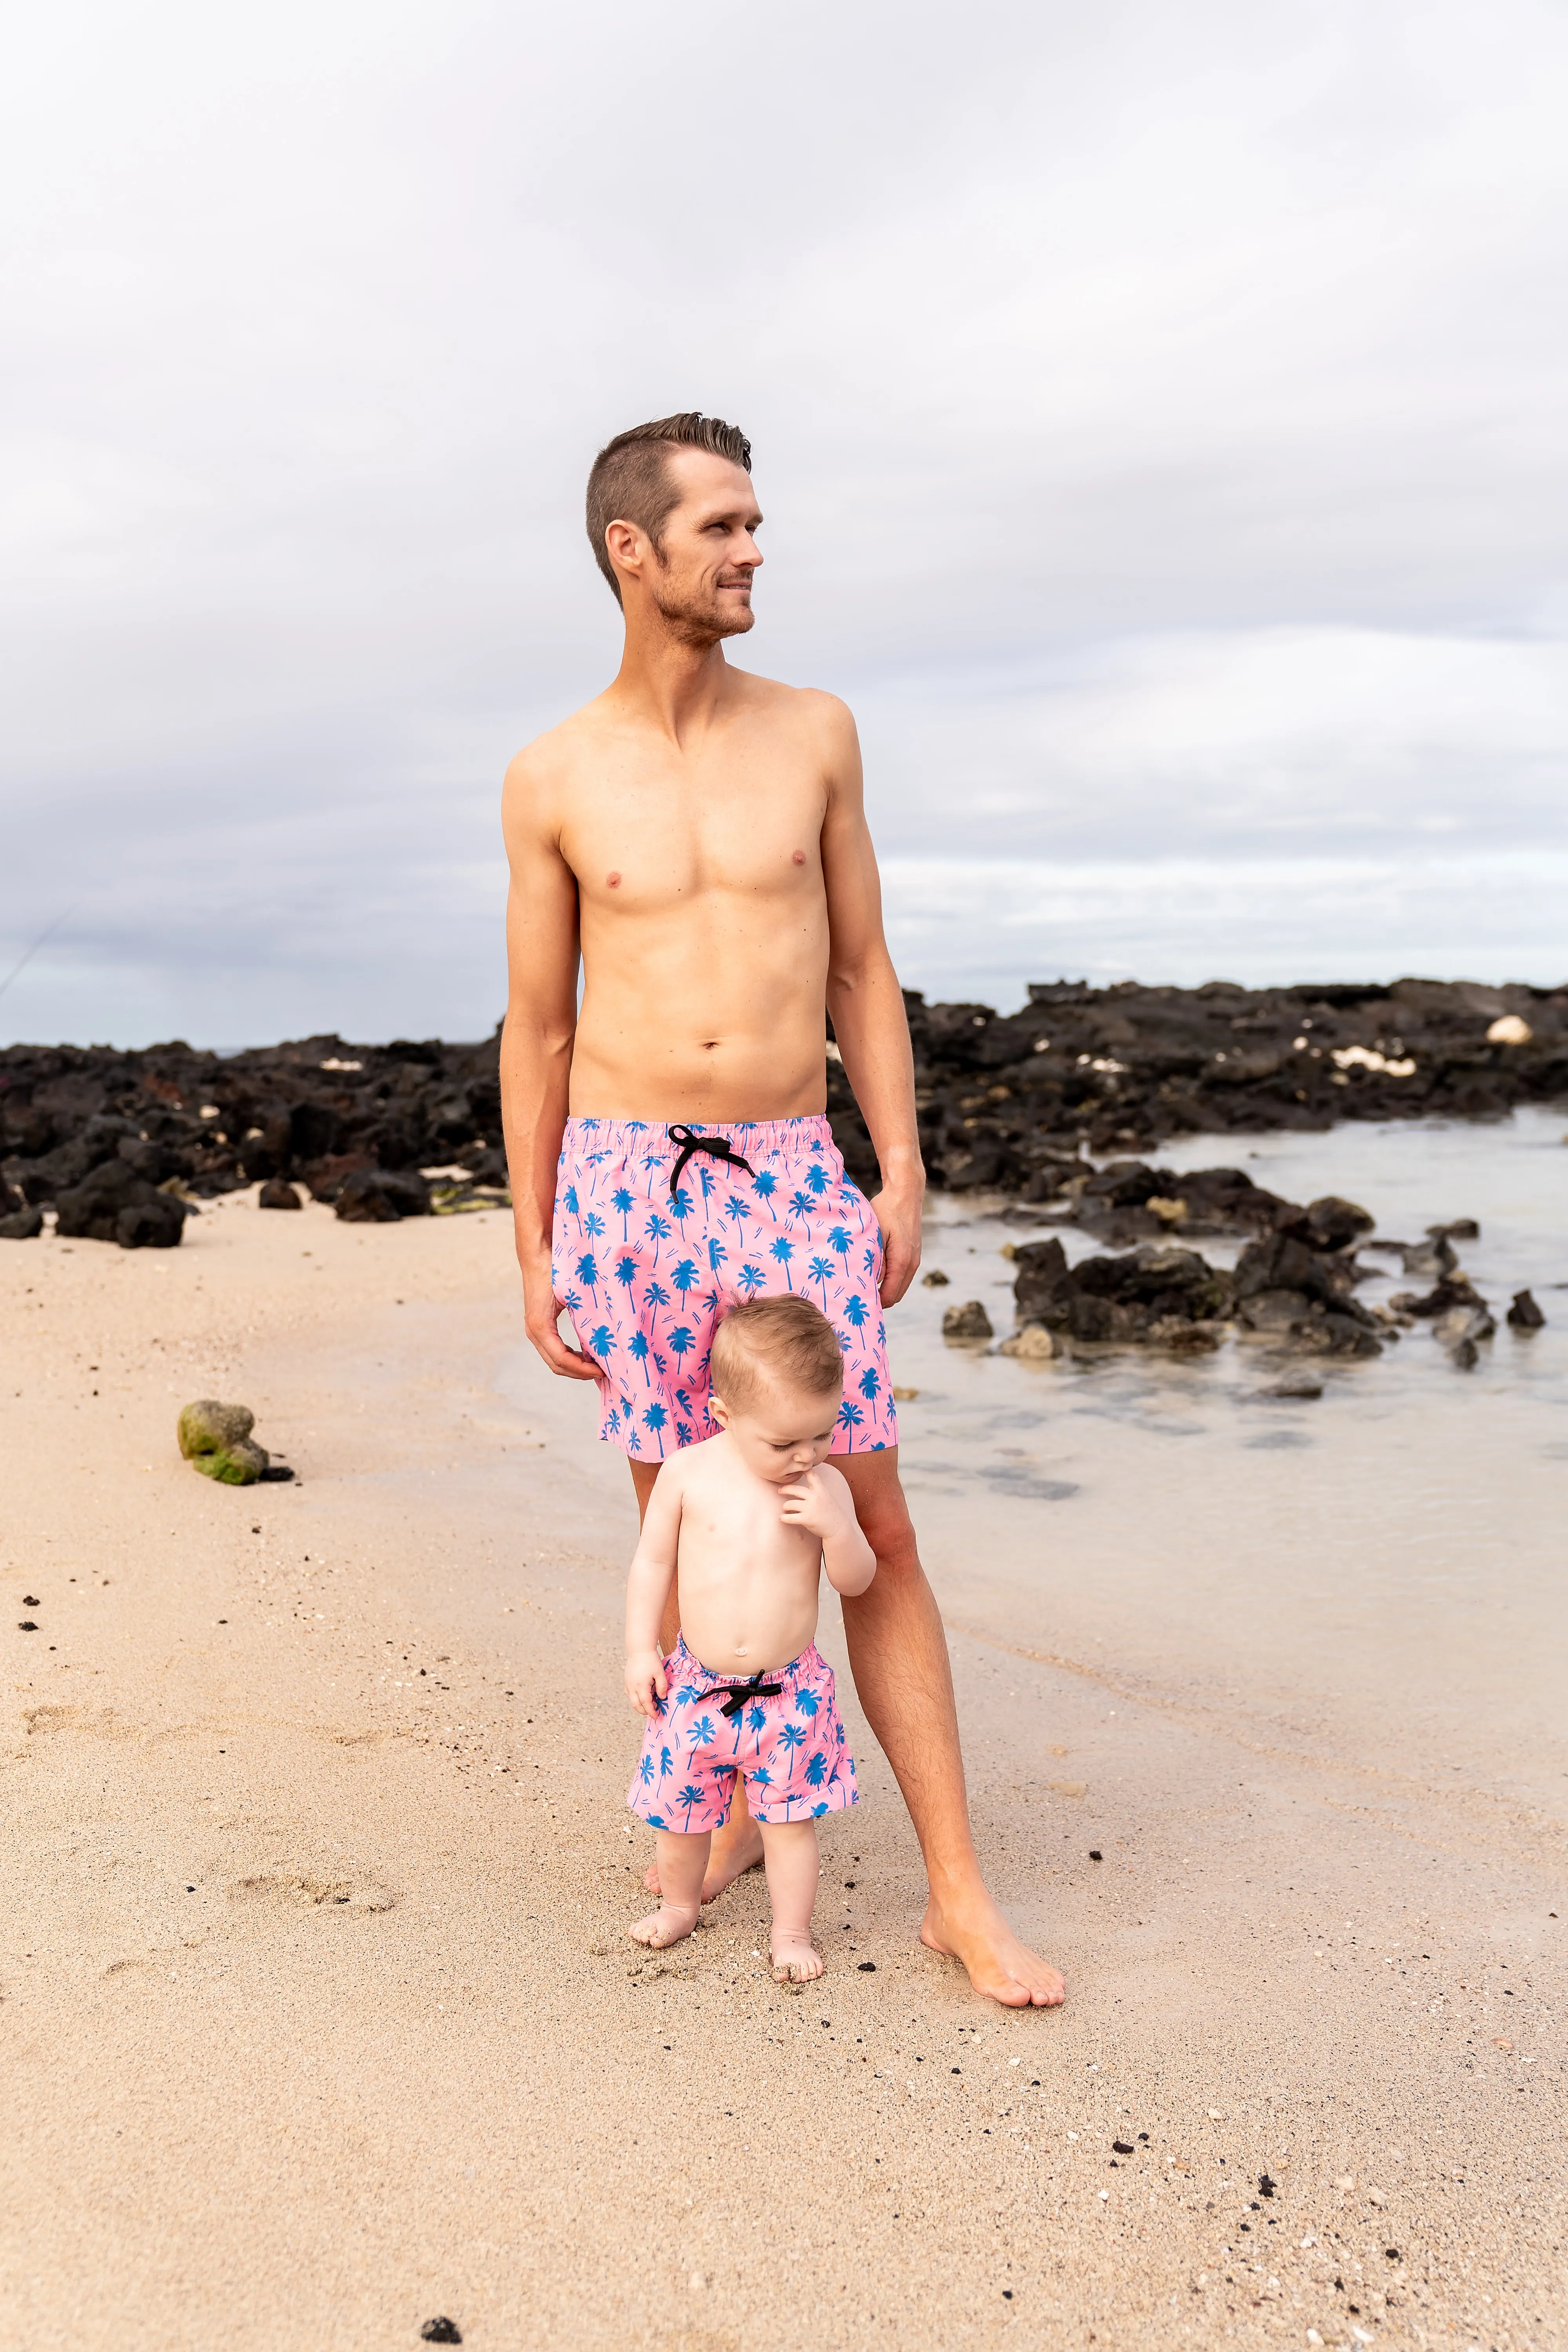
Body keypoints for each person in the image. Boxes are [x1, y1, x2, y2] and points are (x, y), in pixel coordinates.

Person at [499, 410, 1064, 2008]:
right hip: (620, 1183)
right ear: (635, 549)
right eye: (725, 527)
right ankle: (731, 1812)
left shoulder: (815, 730)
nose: (755, 551)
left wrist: (898, 1164)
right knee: (688, 1531)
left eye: (756, 526)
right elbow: (535, 1027)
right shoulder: (549, 776)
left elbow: (860, 967)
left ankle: (958, 1891)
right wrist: (533, 1241)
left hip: (789, 1175)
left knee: (870, 1524)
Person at [623, 1296, 874, 1981]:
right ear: (725, 1415)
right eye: (785, 1443)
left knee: (790, 1826)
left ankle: (791, 1933)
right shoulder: (688, 1475)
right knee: (680, 1817)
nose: (807, 1456)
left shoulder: (825, 1489)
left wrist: (837, 1530)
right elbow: (652, 1563)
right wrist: (641, 1648)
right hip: (695, 1690)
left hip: (789, 1698)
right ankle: (679, 1906)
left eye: (821, 1435)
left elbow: (855, 1582)